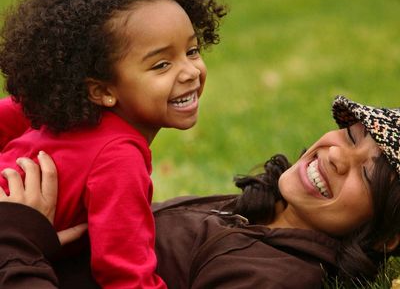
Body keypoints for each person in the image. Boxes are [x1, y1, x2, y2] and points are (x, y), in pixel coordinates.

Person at [0, 95, 400, 288]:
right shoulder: (257, 215)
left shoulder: (274, 278)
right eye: (350, 135)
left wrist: (15, 242)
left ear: (387, 236)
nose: (336, 155)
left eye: (367, 174)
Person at [0, 0, 226, 288]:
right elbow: (126, 276)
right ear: (103, 91)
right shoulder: (118, 158)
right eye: (161, 65)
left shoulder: (58, 111)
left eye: (192, 51)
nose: (190, 72)